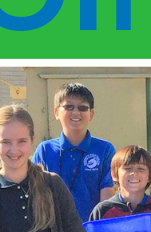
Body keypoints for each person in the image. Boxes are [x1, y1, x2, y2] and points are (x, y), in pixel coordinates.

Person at [31, 82, 116, 221]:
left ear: (91, 114)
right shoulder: (45, 150)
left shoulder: (105, 150)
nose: (76, 112)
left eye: (82, 108)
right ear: (56, 112)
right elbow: (35, 196)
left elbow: (107, 202)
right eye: (68, 107)